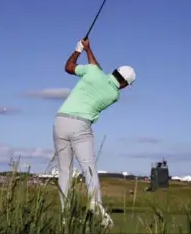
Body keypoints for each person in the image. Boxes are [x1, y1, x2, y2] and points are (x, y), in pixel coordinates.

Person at [53, 38, 136, 227]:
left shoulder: (93, 72)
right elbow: (98, 72)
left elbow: (69, 67)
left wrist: (79, 50)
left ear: (114, 71)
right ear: (124, 84)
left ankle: (65, 216)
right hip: (80, 127)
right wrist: (89, 50)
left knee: (64, 171)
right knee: (89, 170)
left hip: (59, 120)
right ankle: (98, 211)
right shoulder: (114, 95)